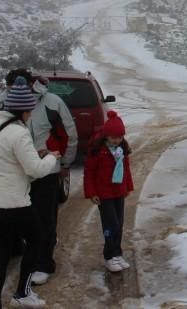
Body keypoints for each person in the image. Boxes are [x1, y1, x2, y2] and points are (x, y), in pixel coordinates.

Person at [0, 77, 61, 309]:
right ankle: (22, 293)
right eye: (30, 111)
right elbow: (36, 170)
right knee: (36, 239)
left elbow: (2, 163)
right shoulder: (18, 133)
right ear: (22, 111)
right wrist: (52, 157)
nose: (31, 115)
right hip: (12, 203)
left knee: (1, 253)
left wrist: (35, 157)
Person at [27, 76, 77, 285]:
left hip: (47, 169)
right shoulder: (5, 102)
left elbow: (69, 134)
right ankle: (31, 253)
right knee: (25, 217)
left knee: (45, 217)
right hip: (20, 171)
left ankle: (43, 263)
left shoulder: (53, 103)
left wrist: (65, 163)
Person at [84, 111, 134, 273]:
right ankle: (109, 255)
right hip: (104, 194)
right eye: (113, 138)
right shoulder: (98, 150)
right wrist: (92, 193)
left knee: (119, 224)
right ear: (106, 135)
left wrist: (128, 186)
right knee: (110, 224)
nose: (116, 141)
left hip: (118, 191)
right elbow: (89, 173)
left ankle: (117, 253)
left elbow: (126, 169)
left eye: (119, 138)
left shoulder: (122, 149)